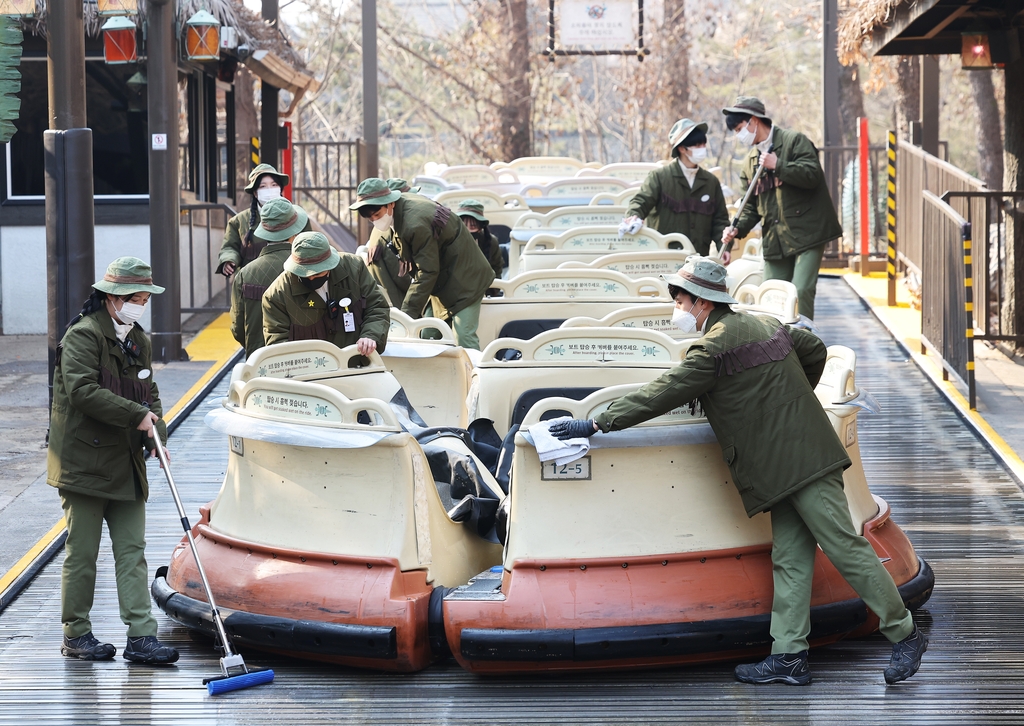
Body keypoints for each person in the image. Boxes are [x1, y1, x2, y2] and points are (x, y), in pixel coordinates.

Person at [549, 256, 926, 686]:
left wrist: (596, 423)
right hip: (789, 463)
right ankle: (788, 655)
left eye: (680, 298)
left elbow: (662, 392)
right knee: (789, 558)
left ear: (702, 302)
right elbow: (814, 351)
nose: (676, 306)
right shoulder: (767, 327)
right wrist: (790, 398)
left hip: (799, 461)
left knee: (844, 547)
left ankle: (906, 633)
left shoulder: (711, 351)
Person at [48, 257, 179, 665]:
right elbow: (83, 391)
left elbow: (149, 393)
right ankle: (77, 633)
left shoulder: (137, 338)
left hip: (126, 463)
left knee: (131, 551)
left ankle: (141, 636)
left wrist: (158, 433)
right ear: (112, 298)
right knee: (83, 553)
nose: (141, 304)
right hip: (84, 463)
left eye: (144, 298)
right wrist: (136, 416)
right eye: (136, 298)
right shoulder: (83, 337)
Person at [720, 97, 842, 319]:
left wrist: (779, 165)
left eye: (740, 129)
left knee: (801, 290)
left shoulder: (794, 141)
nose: (740, 136)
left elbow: (813, 174)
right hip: (776, 238)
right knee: (772, 294)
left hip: (808, 233)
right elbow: (751, 208)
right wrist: (737, 230)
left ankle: (806, 344)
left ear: (754, 121)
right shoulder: (750, 163)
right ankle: (777, 347)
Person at [350, 177, 494, 350]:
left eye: (377, 214)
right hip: (442, 281)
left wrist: (407, 315)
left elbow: (427, 271)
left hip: (467, 280)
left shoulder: (414, 223)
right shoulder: (400, 213)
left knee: (464, 335)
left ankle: (475, 376)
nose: (375, 220)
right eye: (370, 218)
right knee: (427, 334)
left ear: (390, 204)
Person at [262, 231, 390, 355]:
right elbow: (277, 343)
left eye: (317, 273)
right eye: (304, 273)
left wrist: (371, 335)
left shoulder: (354, 269)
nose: (311, 278)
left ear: (330, 265)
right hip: (309, 373)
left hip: (357, 362)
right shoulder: (276, 295)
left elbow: (377, 307)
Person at [620, 118, 729, 256]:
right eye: (697, 145)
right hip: (665, 259)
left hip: (699, 260)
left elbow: (720, 220)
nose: (702, 148)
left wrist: (724, 247)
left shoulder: (710, 181)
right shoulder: (660, 177)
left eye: (703, 144)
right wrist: (634, 216)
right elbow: (641, 201)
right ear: (682, 148)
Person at [229, 198, 309, 358]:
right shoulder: (311, 267)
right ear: (295, 232)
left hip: (260, 361)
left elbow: (238, 328)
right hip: (307, 359)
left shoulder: (245, 274)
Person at [216, 163, 311, 277]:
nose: (269, 190)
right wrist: (229, 260)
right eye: (263, 186)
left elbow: (309, 245)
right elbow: (230, 247)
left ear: (280, 189)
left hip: (290, 279)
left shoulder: (297, 217)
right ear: (255, 193)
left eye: (274, 184)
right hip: (252, 281)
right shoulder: (239, 221)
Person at [456, 199, 504, 279]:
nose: (467, 230)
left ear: (480, 227)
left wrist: (494, 290)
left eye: (473, 226)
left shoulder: (492, 242)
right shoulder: (449, 240)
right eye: (464, 226)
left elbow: (497, 269)